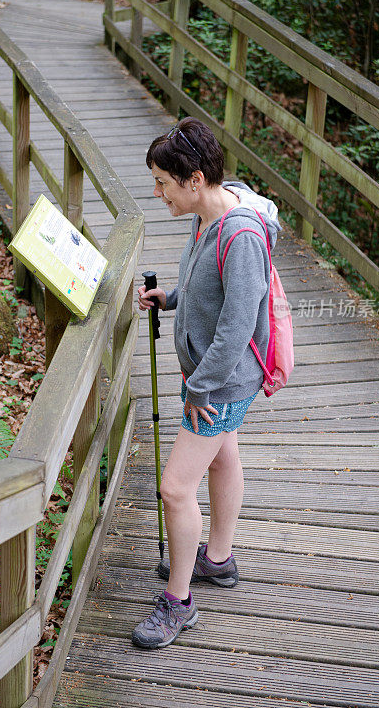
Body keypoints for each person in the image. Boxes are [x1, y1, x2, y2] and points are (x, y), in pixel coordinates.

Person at [132, 117, 280, 650]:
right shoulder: (205, 217)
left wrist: (201, 389)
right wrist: (170, 299)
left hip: (220, 384)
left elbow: (238, 329)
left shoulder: (239, 236)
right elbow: (207, 290)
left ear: (195, 179)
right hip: (216, 380)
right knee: (224, 459)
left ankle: (178, 603)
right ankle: (217, 559)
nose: (158, 192)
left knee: (174, 488)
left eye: (163, 182)